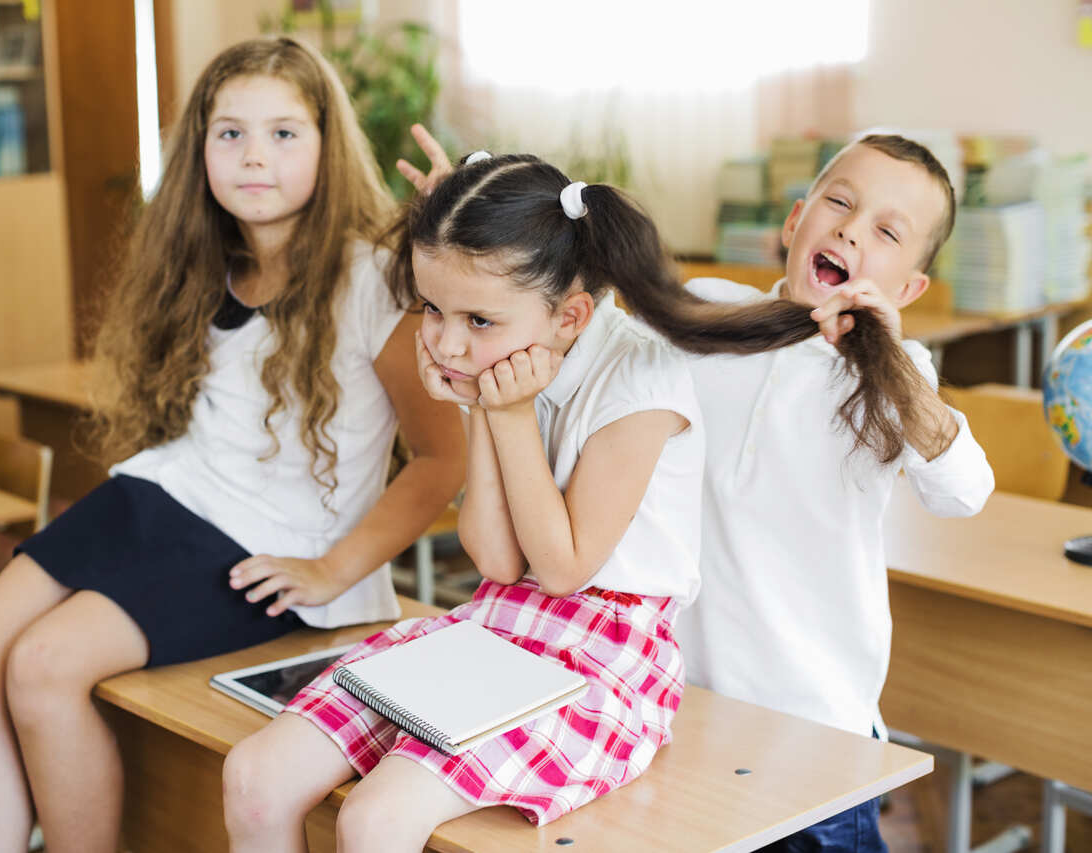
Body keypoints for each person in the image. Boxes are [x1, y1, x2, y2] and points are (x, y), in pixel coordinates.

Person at [220, 148, 937, 851]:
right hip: (503, 616)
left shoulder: (640, 379)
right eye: (430, 308)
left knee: (375, 820)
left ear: (568, 316)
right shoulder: (509, 352)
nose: (442, 342)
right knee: (254, 775)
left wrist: (504, 414)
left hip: (610, 655)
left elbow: (562, 568)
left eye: (476, 321)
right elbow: (499, 561)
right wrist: (481, 406)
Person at [0, 37, 465, 852]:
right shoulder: (198, 262)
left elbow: (443, 459)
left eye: (285, 134)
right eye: (231, 134)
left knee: (42, 665)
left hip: (265, 544)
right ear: (201, 149)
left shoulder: (375, 277)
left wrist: (331, 571)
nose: (255, 156)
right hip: (158, 496)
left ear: (328, 146)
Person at [677, 134, 996, 852]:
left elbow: (965, 491)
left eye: (886, 231)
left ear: (909, 287)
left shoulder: (899, 374)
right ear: (796, 223)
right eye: (840, 203)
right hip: (683, 709)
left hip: (816, 739)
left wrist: (891, 365)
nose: (852, 228)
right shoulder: (707, 312)